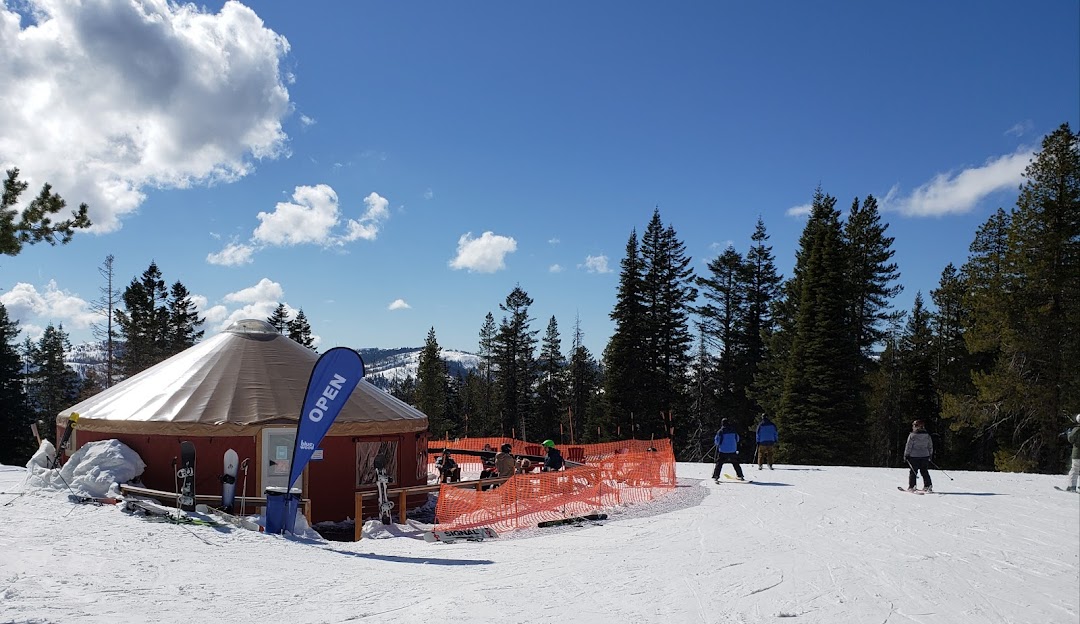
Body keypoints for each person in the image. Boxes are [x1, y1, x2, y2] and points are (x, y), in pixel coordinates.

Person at [904, 420, 933, 492]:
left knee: (913, 471)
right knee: (924, 471)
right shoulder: (927, 435)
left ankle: (912, 486)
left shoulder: (912, 435)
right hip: (925, 455)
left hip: (914, 456)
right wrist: (930, 454)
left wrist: (906, 455)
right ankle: (928, 485)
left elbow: (908, 446)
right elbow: (930, 446)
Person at [1065, 414, 1080, 492]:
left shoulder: (1076, 429)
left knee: (1075, 469)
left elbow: (1071, 439)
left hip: (1077, 454)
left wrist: (1068, 433)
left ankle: (1072, 486)